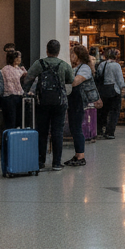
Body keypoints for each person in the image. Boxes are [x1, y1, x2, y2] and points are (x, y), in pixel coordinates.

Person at [21, 40, 74, 171]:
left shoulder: (39, 64)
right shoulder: (64, 65)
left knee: (42, 131)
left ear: (47, 50)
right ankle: (56, 163)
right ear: (58, 51)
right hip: (60, 102)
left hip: (42, 102)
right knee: (57, 132)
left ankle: (40, 161)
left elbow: (28, 78)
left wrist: (25, 91)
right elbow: (71, 79)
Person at [64, 44, 94, 166]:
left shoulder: (85, 68)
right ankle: (77, 155)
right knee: (73, 127)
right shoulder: (75, 67)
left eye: (73, 54)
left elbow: (76, 82)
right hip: (73, 100)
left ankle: (81, 156)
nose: (71, 57)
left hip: (78, 100)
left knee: (76, 128)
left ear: (79, 56)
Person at [96, 48, 125, 139]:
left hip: (103, 90)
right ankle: (110, 132)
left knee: (103, 111)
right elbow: (120, 79)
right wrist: (122, 88)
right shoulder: (116, 65)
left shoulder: (102, 64)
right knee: (114, 112)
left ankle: (99, 129)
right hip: (114, 90)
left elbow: (98, 76)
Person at [0, 49, 27, 133]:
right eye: (17, 57)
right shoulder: (6, 69)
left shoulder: (20, 69)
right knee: (11, 120)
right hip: (9, 97)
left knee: (19, 120)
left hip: (19, 96)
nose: (19, 59)